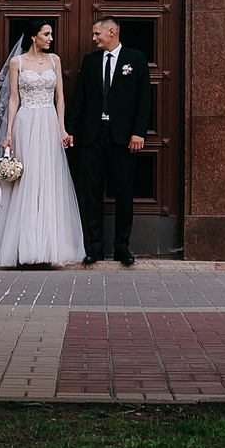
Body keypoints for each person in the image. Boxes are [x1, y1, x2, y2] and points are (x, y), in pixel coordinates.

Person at [0, 22, 86, 268]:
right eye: (46, 34)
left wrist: (62, 128)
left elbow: (60, 98)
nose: (50, 38)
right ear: (33, 37)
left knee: (48, 178)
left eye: (51, 34)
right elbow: (13, 100)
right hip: (25, 123)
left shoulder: (54, 61)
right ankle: (23, 245)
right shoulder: (17, 62)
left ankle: (47, 246)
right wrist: (8, 132)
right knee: (26, 180)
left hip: (48, 122)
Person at [68, 15, 150, 268]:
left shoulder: (136, 59)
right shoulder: (90, 61)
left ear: (112, 32)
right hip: (92, 136)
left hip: (123, 137)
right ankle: (95, 247)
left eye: (97, 33)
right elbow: (80, 99)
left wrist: (139, 132)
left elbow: (144, 98)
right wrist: (70, 130)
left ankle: (122, 247)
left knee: (124, 192)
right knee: (92, 192)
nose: (93, 38)